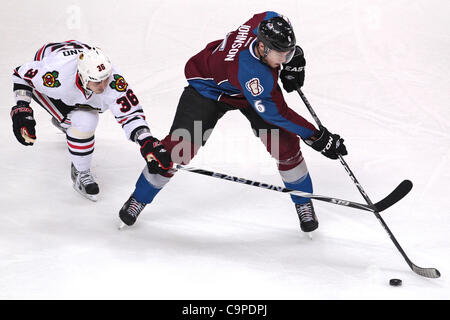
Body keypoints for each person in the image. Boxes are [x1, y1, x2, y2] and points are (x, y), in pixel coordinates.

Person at [118, 12, 347, 232]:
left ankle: (303, 201)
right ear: (262, 47)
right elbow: (278, 114)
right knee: (177, 151)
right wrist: (316, 137)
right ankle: (139, 198)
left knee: (285, 146)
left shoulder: (266, 20)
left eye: (288, 53)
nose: (285, 59)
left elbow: (273, 15)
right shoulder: (254, 76)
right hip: (207, 91)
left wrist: (295, 57)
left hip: (241, 89)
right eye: (282, 55)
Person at [11, 40, 170, 201]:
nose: (103, 86)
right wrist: (22, 109)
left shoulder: (113, 80)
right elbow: (20, 75)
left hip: (76, 61)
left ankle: (69, 125)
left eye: (105, 78)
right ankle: (81, 170)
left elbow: (131, 115)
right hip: (53, 65)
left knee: (82, 121)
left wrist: (147, 141)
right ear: (83, 76)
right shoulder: (54, 76)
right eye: (97, 81)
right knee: (85, 121)